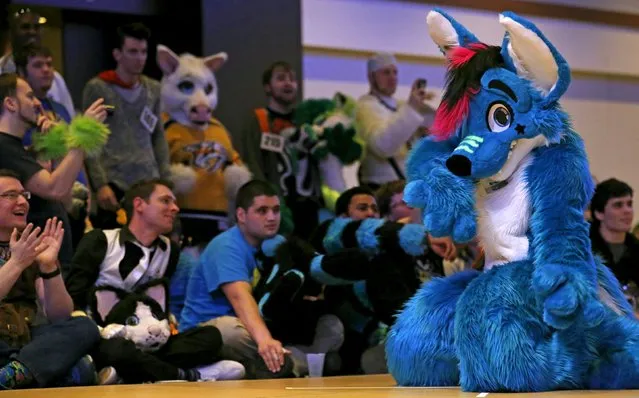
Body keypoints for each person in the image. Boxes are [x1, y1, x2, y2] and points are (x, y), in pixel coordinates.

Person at [180, 180, 296, 378]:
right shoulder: (226, 246)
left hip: (255, 325)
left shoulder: (278, 244)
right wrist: (265, 340)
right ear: (241, 215)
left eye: (276, 210)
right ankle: (281, 361)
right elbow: (240, 298)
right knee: (231, 331)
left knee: (327, 325)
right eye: (262, 211)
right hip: (206, 331)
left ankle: (268, 363)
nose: (272, 217)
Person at [0, 169, 100, 390]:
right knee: (81, 370)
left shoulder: (31, 245)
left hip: (24, 339)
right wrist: (16, 263)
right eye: (10, 195)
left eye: (24, 195)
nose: (22, 202)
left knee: (84, 326)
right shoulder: (23, 253)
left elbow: (60, 315)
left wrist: (48, 267)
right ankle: (35, 371)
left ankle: (10, 375)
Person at [0, 72, 106, 273]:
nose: (38, 103)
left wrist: (55, 146)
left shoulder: (16, 147)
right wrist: (84, 134)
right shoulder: (4, 147)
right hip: (36, 265)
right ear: (10, 104)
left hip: (51, 257)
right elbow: (54, 189)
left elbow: (64, 198)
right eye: (30, 96)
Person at [82, 22, 171, 229]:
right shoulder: (98, 88)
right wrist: (100, 184)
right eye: (132, 52)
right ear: (117, 54)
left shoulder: (154, 89)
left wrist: (166, 180)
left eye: (143, 52)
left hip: (149, 181)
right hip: (114, 183)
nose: (140, 58)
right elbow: (89, 139)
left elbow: (158, 135)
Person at [355, 53, 435, 189]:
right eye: (386, 73)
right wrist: (412, 108)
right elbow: (383, 146)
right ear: (371, 77)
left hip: (408, 184)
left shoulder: (400, 106)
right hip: (382, 187)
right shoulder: (365, 106)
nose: (392, 78)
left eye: (395, 72)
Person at [0, 8, 75, 118]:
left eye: (36, 27)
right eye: (25, 27)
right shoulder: (1, 69)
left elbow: (69, 117)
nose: (32, 32)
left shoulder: (56, 79)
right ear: (12, 32)